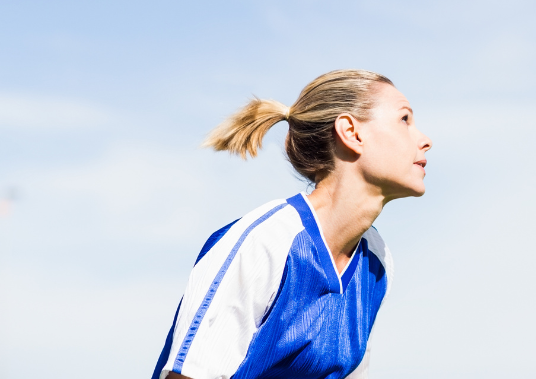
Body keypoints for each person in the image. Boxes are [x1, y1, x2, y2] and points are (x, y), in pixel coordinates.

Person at [151, 69, 432, 379]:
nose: (425, 140)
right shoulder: (264, 244)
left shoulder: (376, 260)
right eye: (404, 119)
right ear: (351, 132)